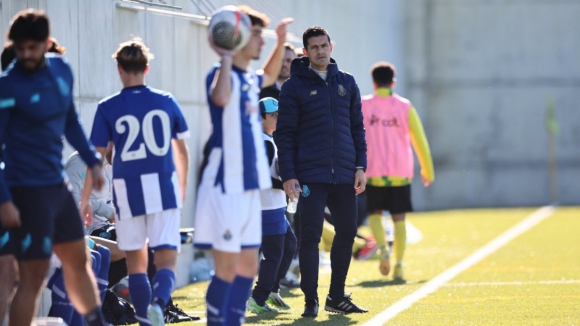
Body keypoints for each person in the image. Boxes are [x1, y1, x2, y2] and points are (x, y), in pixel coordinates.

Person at [0, 9, 107, 326]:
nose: (26, 55)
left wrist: (93, 161)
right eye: (20, 48)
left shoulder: (62, 70)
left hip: (57, 188)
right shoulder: (7, 87)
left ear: (47, 43)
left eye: (33, 48)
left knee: (80, 259)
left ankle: (95, 322)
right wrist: (4, 200)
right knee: (29, 277)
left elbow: (70, 120)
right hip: (25, 191)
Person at [193, 6, 292, 326]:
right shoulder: (220, 73)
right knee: (226, 269)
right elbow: (220, 98)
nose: (260, 44)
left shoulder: (249, 78)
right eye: (256, 37)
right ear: (236, 38)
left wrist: (278, 42)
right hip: (225, 182)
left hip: (248, 185)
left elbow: (266, 76)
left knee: (249, 266)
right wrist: (224, 54)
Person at [84, 37, 190, 325]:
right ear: (147, 67)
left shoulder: (108, 106)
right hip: (161, 191)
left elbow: (96, 159)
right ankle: (158, 303)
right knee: (167, 261)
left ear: (119, 68)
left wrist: (84, 200)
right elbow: (181, 152)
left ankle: (146, 319)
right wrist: (181, 187)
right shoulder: (165, 100)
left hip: (127, 194)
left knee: (137, 266)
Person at [275, 26, 368, 317]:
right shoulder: (293, 87)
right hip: (309, 176)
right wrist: (289, 174)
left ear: (331, 46)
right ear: (305, 52)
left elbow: (357, 129)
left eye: (324, 45)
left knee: (348, 231)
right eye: (314, 47)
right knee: (310, 236)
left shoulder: (347, 82)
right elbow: (285, 134)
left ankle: (336, 296)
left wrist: (360, 166)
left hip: (343, 172)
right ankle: (310, 299)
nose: (320, 51)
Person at [361, 62, 434, 281]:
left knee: (374, 214)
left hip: (373, 171)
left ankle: (383, 248)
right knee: (399, 219)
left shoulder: (363, 105)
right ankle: (399, 264)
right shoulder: (404, 106)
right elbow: (419, 139)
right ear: (393, 82)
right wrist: (427, 169)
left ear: (374, 83)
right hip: (400, 172)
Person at [247, 97, 297, 314]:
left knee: (290, 245)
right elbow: (258, 179)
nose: (278, 118)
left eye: (279, 114)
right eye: (273, 115)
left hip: (274, 207)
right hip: (266, 208)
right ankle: (258, 298)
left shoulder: (269, 138)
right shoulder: (264, 142)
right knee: (274, 254)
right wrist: (286, 185)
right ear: (260, 118)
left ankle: (272, 289)